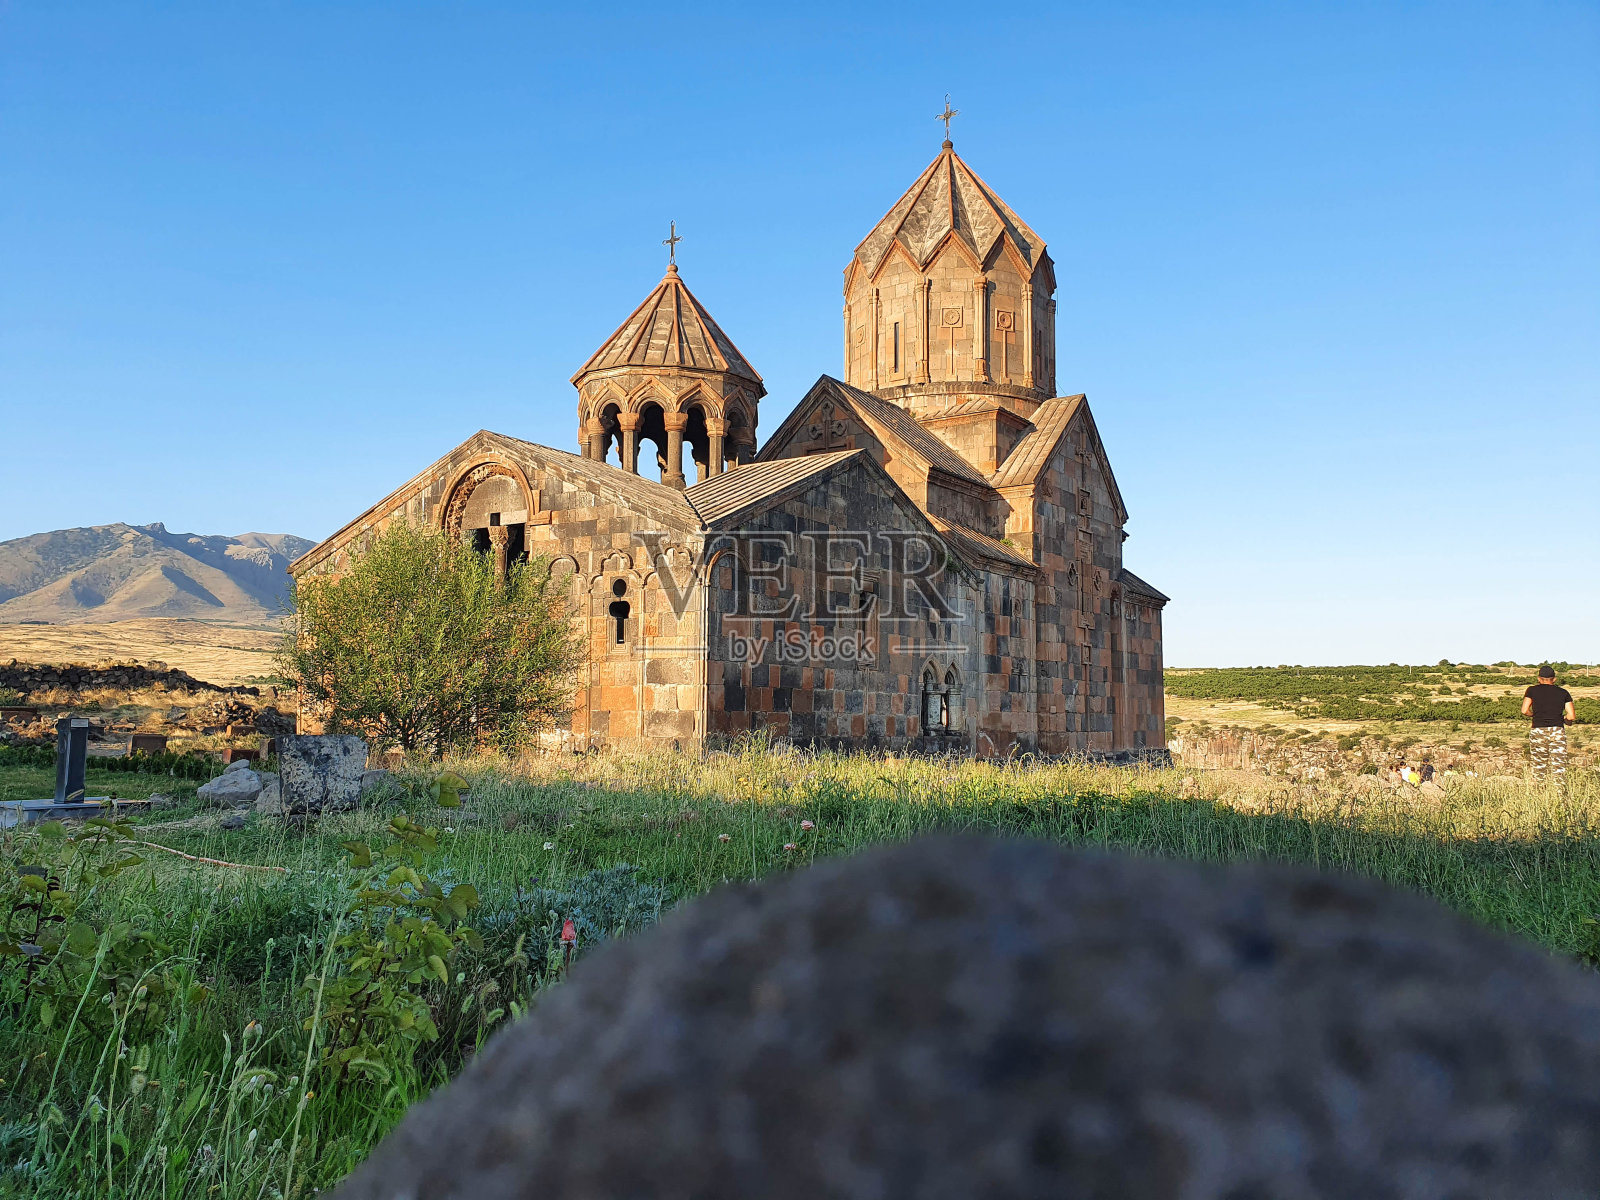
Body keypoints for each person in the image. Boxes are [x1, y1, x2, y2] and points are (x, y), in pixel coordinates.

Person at [1522, 666, 1576, 784]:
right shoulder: (1563, 692)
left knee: (1539, 764)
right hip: (1557, 731)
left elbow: (1524, 710)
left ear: (1539, 678)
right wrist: (1564, 719)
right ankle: (1559, 792)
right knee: (1559, 765)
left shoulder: (1531, 690)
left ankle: (1539, 790)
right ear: (1554, 679)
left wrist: (1534, 715)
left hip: (1538, 730)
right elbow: (1571, 716)